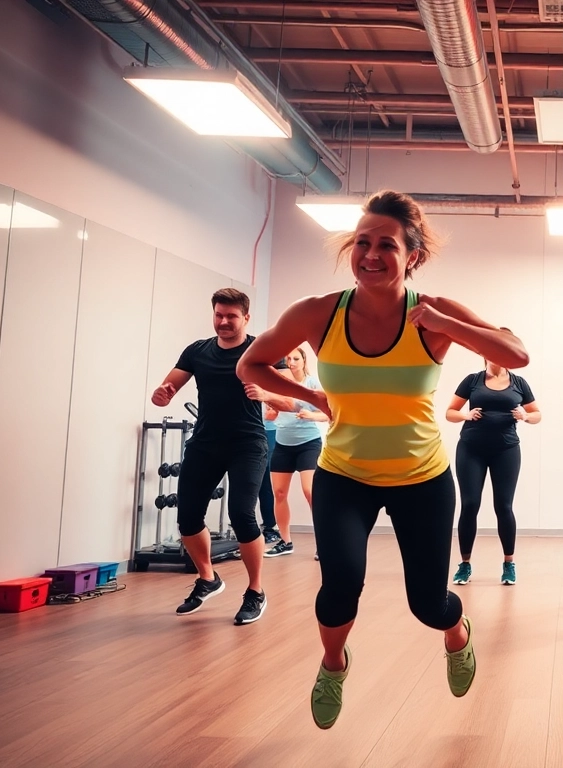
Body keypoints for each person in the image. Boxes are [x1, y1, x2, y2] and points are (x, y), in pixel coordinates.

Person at [237, 190, 529, 729]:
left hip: (422, 479)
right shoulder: (318, 314)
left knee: (428, 605)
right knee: (339, 586)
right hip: (344, 476)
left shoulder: (434, 313)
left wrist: (444, 324)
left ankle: (457, 633)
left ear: (411, 255)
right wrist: (312, 398)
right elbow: (250, 367)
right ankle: (332, 664)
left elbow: (516, 352)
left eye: (386, 245)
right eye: (363, 242)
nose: (371, 254)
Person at [149, 287, 287, 625]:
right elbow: (167, 390)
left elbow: (290, 401)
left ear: (246, 318)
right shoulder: (197, 351)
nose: (224, 322)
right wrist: (161, 395)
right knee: (187, 517)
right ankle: (208, 578)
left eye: (231, 316)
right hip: (205, 443)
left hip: (248, 444)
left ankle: (255, 591)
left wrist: (265, 393)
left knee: (242, 514)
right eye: (219, 315)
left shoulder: (262, 350)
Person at [445, 343, 541, 585]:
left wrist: (526, 416)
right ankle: (464, 564)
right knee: (470, 504)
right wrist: (465, 415)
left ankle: (509, 564)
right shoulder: (473, 380)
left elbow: (537, 413)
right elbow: (450, 412)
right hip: (471, 449)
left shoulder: (519, 383)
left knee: (504, 506)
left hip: (506, 451)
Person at [263, 344, 327, 558]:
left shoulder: (311, 384)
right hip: (283, 444)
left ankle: (324, 543)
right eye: (288, 359)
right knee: (279, 494)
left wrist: (311, 416)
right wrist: (269, 412)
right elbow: (272, 415)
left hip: (308, 444)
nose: (291, 362)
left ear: (303, 361)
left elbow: (328, 413)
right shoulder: (278, 385)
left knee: (311, 492)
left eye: (295, 359)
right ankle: (286, 541)